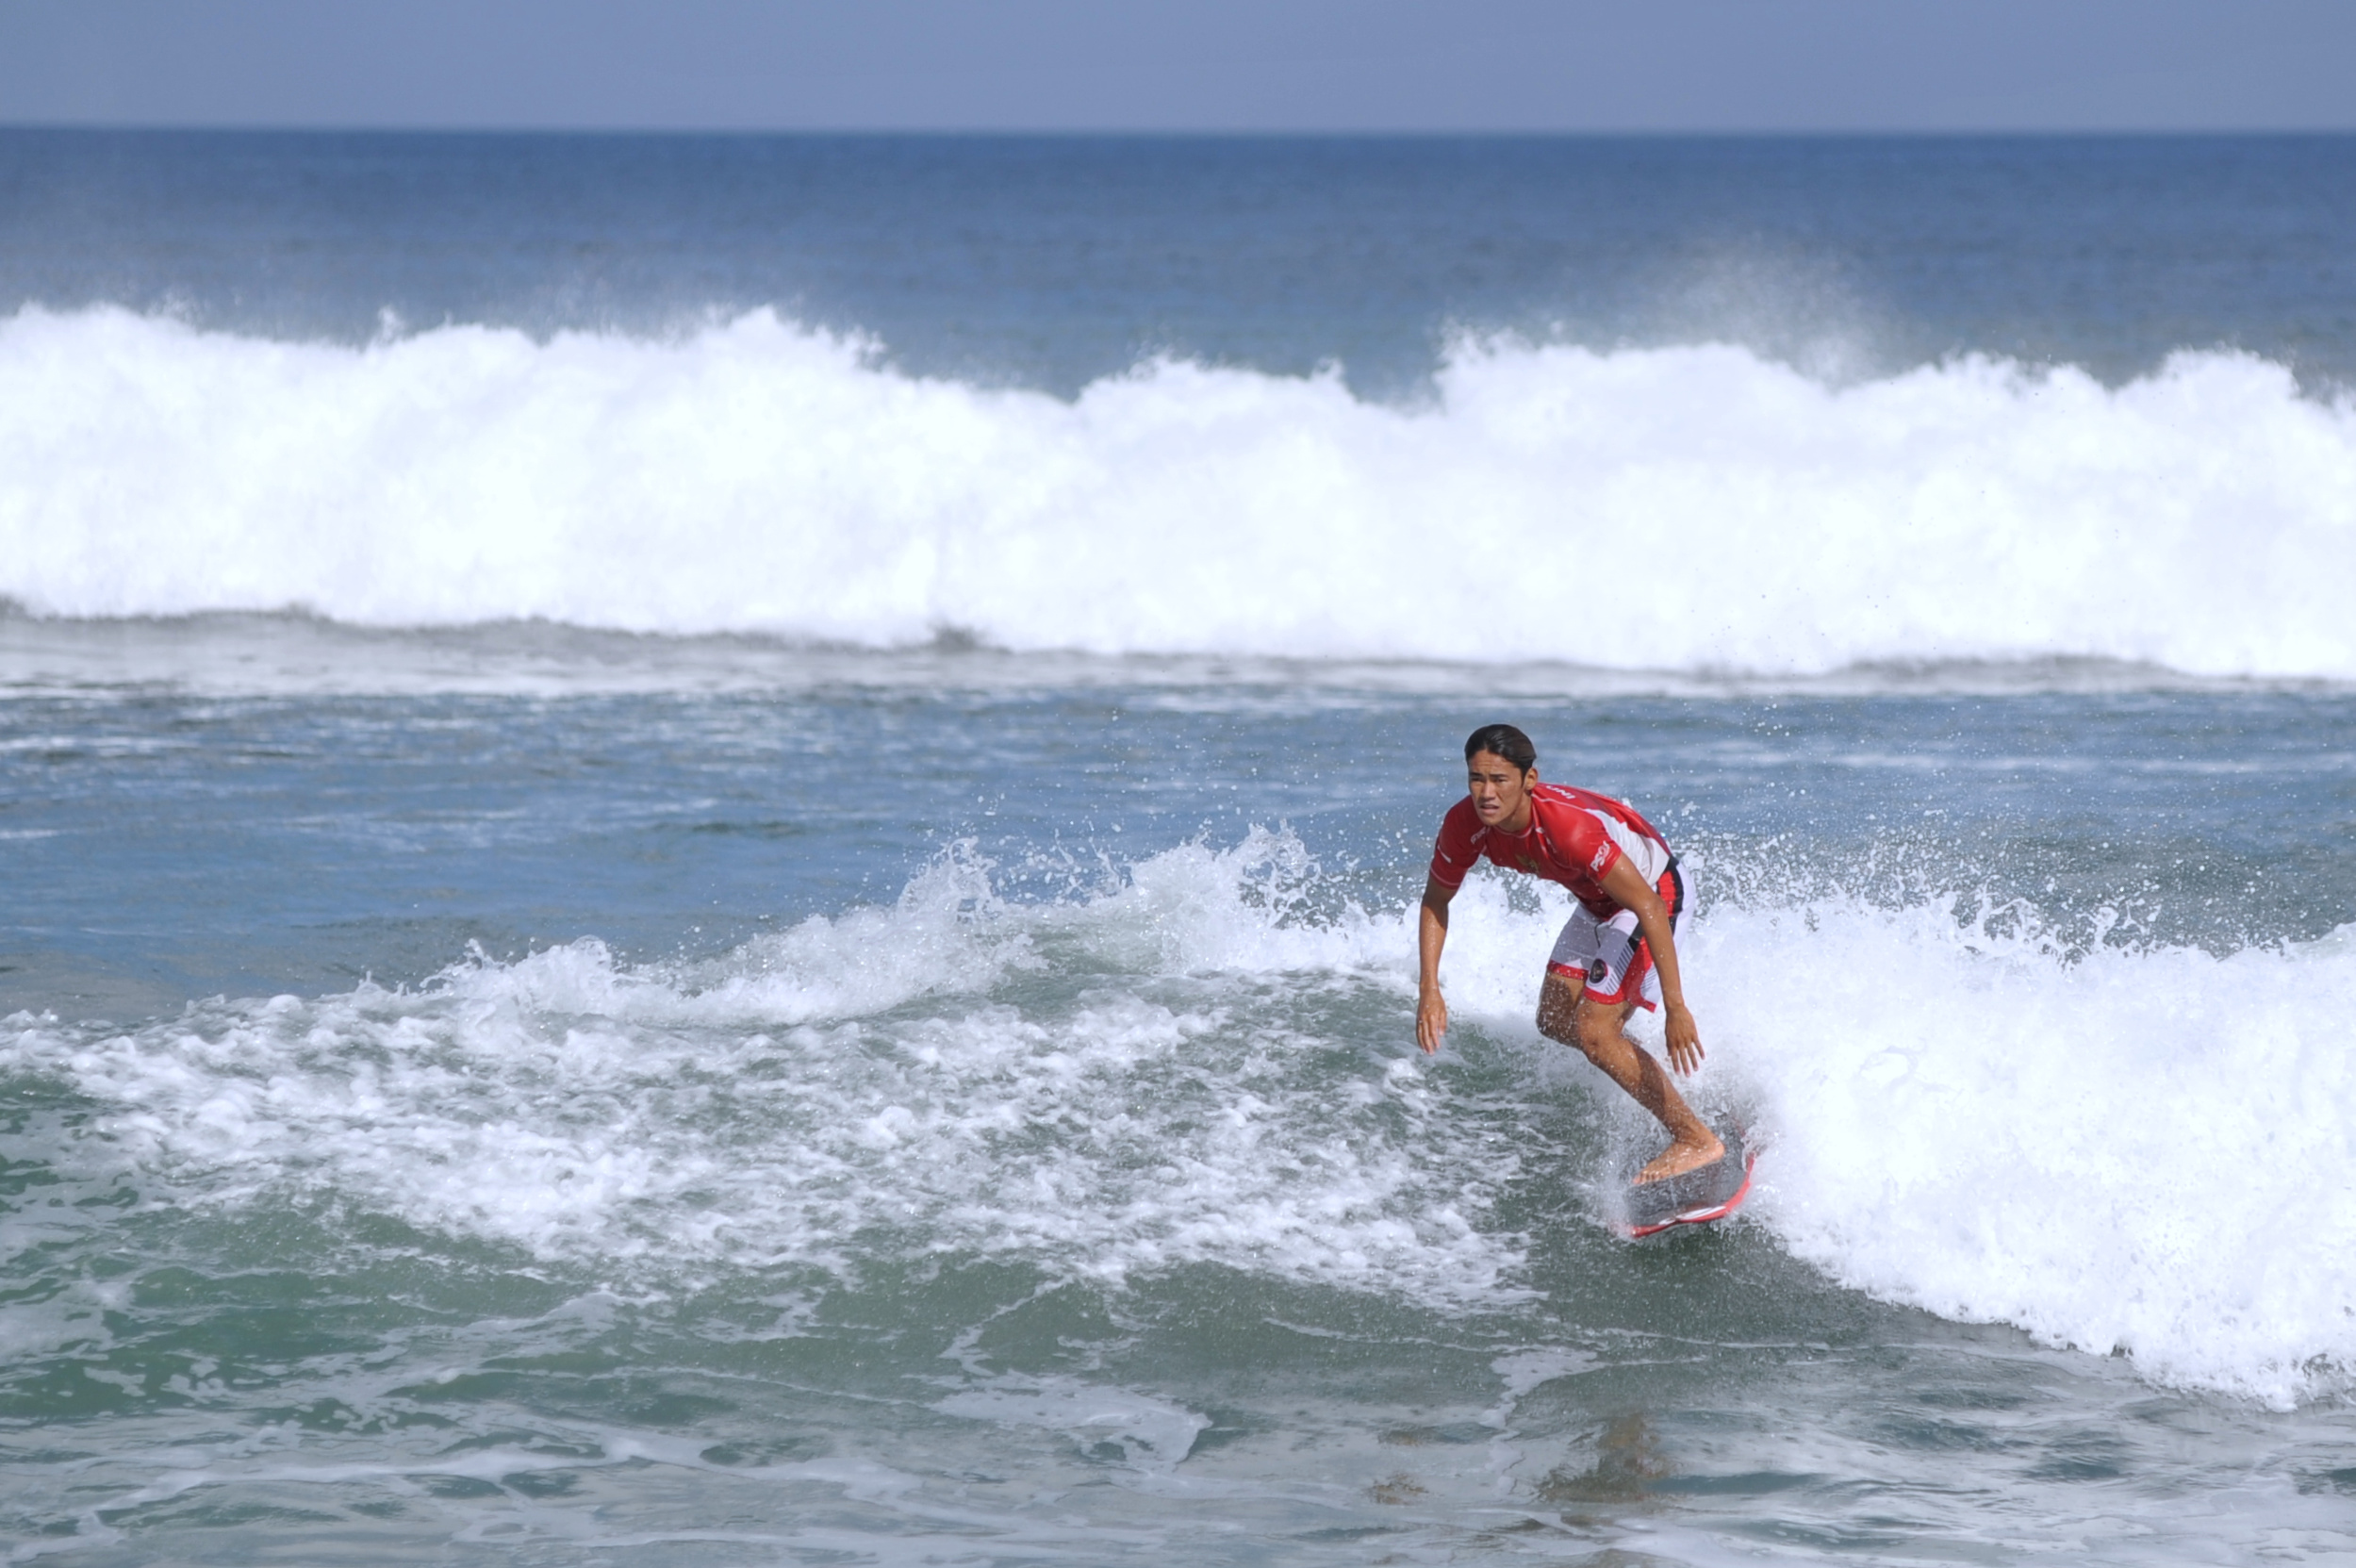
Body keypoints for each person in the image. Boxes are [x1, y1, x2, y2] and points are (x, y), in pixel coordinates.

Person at [1415, 723, 1724, 1183]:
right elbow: (1436, 900)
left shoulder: (1566, 829)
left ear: (1529, 781)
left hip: (1655, 894)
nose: (1486, 793)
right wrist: (1429, 989)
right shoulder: (1465, 826)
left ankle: (1696, 1138)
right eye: (1476, 779)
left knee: (1595, 1032)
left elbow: (1647, 903)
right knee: (1556, 1020)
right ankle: (1654, 1083)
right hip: (1597, 902)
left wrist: (1675, 1007)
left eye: (1499, 780)